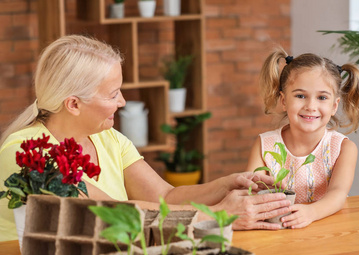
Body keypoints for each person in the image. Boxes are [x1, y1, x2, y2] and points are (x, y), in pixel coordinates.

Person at [0, 35, 290, 241]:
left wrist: (227, 183)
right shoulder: (28, 152)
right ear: (74, 104)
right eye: (113, 94)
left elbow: (165, 197)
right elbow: (114, 213)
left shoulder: (107, 138)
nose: (123, 102)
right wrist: (217, 215)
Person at [246, 48, 359, 229]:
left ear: (334, 105)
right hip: (277, 230)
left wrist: (311, 213)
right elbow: (251, 191)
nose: (311, 106)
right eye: (300, 96)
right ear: (284, 100)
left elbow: (338, 193)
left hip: (327, 230)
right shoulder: (264, 145)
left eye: (322, 97)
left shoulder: (343, 148)